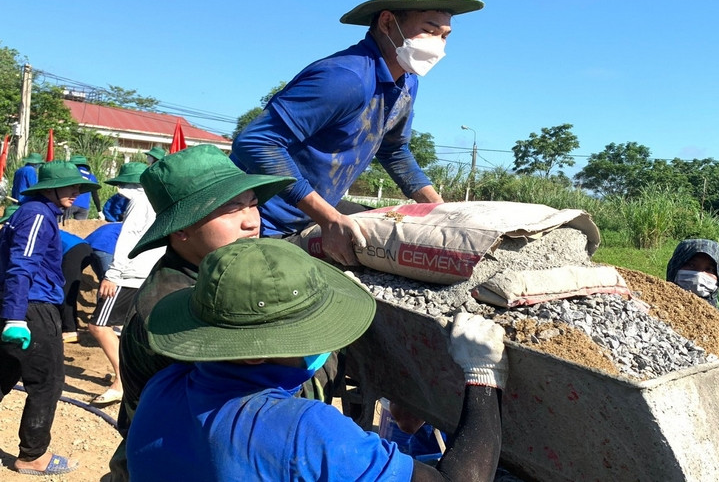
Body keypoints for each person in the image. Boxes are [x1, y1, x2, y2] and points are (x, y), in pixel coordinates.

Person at [127, 238, 508, 481]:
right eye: (312, 328)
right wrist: (482, 376)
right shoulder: (306, 431)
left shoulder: (165, 385)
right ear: (257, 355)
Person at [231, 0, 483, 266]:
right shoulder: (344, 79)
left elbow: (394, 150)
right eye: (429, 31)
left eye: (444, 35)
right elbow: (257, 143)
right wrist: (329, 219)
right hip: (263, 222)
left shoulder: (407, 82)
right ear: (388, 23)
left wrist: (439, 209)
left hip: (313, 215)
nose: (438, 44)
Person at [109, 144, 294, 481]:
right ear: (181, 229)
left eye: (253, 205)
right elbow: (240, 408)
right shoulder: (177, 308)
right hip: (177, 458)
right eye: (231, 209)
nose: (251, 222)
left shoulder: (218, 277)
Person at [0, 160, 100, 476]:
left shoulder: (34, 213)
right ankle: (32, 457)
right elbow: (21, 265)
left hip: (21, 303)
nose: (77, 192)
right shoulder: (38, 217)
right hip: (32, 306)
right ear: (49, 189)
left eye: (79, 187)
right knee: (48, 381)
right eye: (70, 186)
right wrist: (16, 317)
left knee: (5, 371)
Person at [89, 161, 162, 406]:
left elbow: (128, 238)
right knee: (136, 329)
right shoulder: (161, 201)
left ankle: (122, 381)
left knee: (99, 325)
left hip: (130, 274)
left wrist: (113, 274)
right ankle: (139, 379)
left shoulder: (139, 203)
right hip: (150, 273)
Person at [65, 154, 102, 219]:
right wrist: (99, 210)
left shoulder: (72, 173)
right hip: (84, 207)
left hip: (71, 202)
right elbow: (95, 195)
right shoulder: (91, 177)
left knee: (62, 224)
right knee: (80, 228)